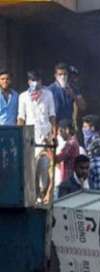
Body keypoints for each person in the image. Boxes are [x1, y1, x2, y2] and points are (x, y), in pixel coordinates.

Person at [18, 70, 56, 202]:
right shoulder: (23, 96)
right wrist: (20, 135)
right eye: (32, 80)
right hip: (29, 137)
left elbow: (52, 115)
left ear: (41, 81)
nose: (35, 83)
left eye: (37, 80)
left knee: (44, 167)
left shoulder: (48, 94)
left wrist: (53, 134)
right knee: (30, 168)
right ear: (28, 82)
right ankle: (32, 197)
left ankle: (42, 194)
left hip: (45, 137)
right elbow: (21, 118)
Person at [54, 119, 80, 185]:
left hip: (68, 183)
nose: (59, 134)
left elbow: (57, 159)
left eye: (61, 130)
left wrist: (48, 148)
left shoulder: (70, 144)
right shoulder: (73, 142)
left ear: (67, 130)